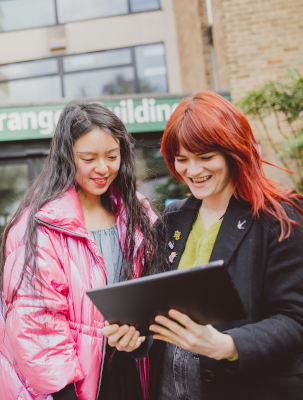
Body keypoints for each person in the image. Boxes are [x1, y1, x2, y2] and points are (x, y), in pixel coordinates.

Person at [104, 91, 303, 399]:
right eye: (182, 160)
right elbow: (155, 304)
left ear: (234, 151)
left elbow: (294, 318)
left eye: (206, 158)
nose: (192, 172)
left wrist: (227, 345)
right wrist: (134, 335)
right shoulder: (173, 218)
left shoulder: (278, 217)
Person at [0, 102, 162, 400]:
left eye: (112, 156)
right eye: (88, 158)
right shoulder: (40, 225)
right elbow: (37, 323)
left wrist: (141, 339)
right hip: (74, 386)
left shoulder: (137, 212)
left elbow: (152, 294)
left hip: (133, 374)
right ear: (66, 157)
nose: (103, 168)